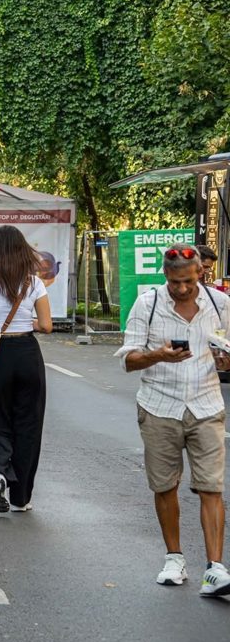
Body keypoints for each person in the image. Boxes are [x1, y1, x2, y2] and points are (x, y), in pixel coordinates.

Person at [119, 246, 230, 594]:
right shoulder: (148, 304)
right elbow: (128, 359)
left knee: (211, 487)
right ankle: (174, 558)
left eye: (188, 280)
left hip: (206, 406)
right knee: (165, 485)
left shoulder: (220, 304)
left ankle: (215, 568)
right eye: (175, 281)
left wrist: (225, 361)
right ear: (165, 275)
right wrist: (159, 355)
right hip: (159, 406)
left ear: (200, 271)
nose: (181, 288)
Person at [0, 225, 54, 513]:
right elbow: (46, 325)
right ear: (23, 252)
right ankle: (21, 497)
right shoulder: (34, 283)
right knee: (29, 426)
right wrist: (25, 323)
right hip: (28, 355)